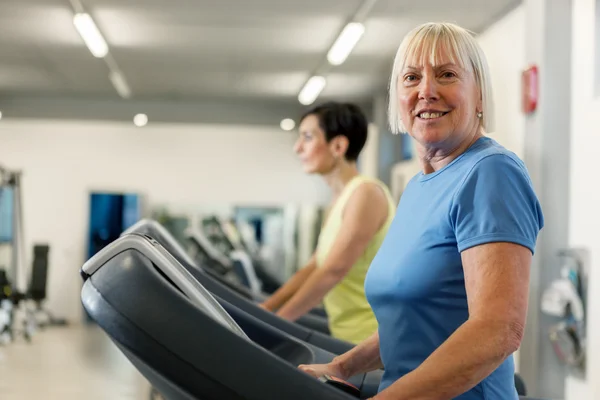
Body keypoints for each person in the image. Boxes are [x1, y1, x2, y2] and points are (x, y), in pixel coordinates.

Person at [298, 22, 544, 400]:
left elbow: (499, 329)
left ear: (479, 95)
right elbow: (414, 321)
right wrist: (342, 366)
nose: (426, 91)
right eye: (411, 78)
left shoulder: (490, 172)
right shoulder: (417, 188)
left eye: (446, 74)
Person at [260, 101, 396, 345]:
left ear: (338, 146)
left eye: (308, 137)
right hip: (346, 333)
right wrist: (264, 309)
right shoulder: (340, 199)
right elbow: (314, 267)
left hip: (370, 338)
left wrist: (277, 323)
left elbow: (333, 271)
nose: (298, 147)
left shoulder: (366, 193)